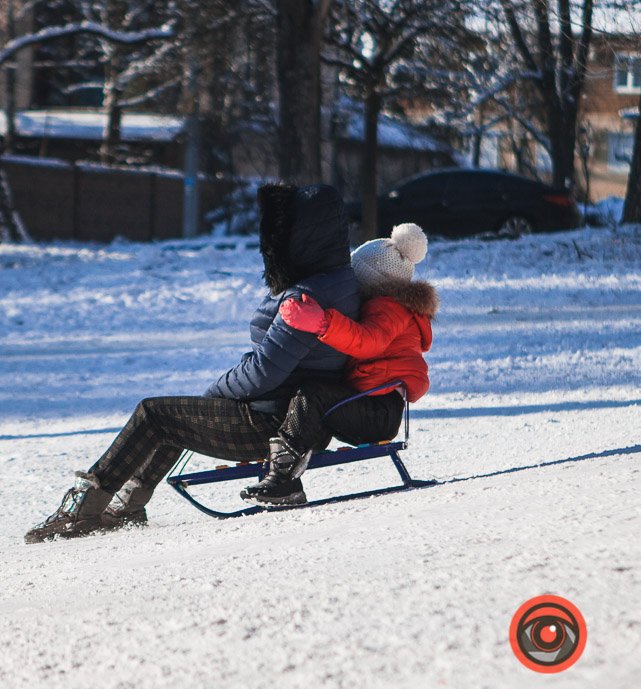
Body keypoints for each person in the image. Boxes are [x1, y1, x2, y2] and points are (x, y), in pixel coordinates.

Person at [24, 183, 361, 543]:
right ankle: (126, 506)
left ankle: (81, 511)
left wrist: (215, 392)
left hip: (274, 425)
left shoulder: (306, 298)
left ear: (297, 236)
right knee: (176, 416)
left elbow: (264, 372)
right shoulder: (338, 281)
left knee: (154, 414)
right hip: (297, 417)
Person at [241, 223, 438, 505]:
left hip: (379, 411)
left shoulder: (390, 307)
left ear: (372, 279)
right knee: (315, 395)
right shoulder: (385, 305)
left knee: (315, 395)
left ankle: (283, 481)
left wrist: (322, 323)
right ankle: (290, 459)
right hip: (374, 405)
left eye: (356, 274)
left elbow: (369, 340)